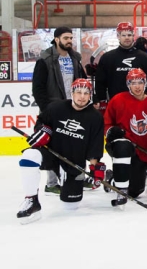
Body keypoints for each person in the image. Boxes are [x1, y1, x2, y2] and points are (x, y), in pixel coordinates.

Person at [17, 78, 105, 223]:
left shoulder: (95, 117)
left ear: (90, 95)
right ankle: (32, 201)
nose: (82, 97)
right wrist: (42, 132)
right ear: (72, 92)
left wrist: (95, 169)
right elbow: (41, 122)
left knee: (70, 206)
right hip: (51, 154)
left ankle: (72, 182)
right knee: (29, 155)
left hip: (73, 163)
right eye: (78, 92)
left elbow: (95, 147)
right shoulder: (56, 107)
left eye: (85, 93)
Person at [31, 26, 87, 194]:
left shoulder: (75, 58)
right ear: (56, 39)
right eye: (65, 38)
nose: (69, 41)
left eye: (71, 38)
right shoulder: (45, 59)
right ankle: (52, 183)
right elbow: (38, 88)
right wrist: (47, 109)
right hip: (53, 109)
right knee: (52, 145)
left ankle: (77, 177)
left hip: (74, 107)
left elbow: (83, 82)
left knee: (77, 143)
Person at [103, 69, 147, 205]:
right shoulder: (118, 100)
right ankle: (120, 189)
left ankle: (111, 178)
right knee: (123, 145)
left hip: (143, 151)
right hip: (123, 147)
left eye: (140, 82)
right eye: (133, 83)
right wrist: (112, 131)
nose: (137, 86)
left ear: (145, 83)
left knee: (136, 190)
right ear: (128, 84)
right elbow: (107, 124)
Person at [93, 22, 147, 108]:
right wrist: (101, 100)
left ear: (133, 36)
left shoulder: (145, 58)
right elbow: (100, 83)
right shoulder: (107, 58)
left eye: (129, 35)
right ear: (118, 36)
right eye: (123, 35)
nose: (127, 38)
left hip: (139, 104)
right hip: (116, 105)